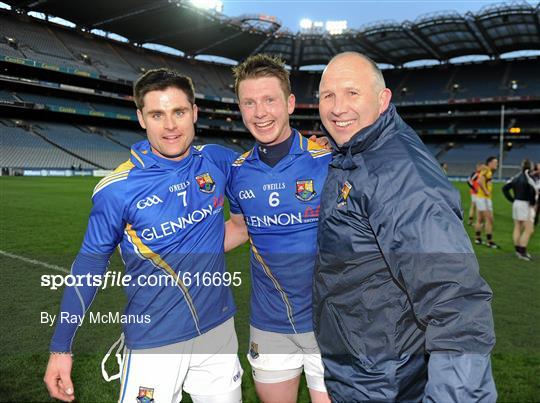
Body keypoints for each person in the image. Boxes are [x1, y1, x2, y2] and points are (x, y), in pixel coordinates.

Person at [44, 69, 242, 403]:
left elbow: (265, 182)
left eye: (179, 112)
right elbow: (90, 264)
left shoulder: (218, 160)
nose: (170, 126)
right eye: (157, 114)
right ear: (141, 118)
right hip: (155, 342)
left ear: (194, 113)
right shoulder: (117, 189)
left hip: (219, 332)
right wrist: (61, 347)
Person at [313, 52, 497, 402]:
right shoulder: (357, 152)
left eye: (352, 93)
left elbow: (456, 303)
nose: (338, 108)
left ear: (383, 100)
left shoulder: (400, 175)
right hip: (364, 368)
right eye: (328, 95)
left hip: (384, 382)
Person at [224, 54, 331, 403]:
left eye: (269, 100)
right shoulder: (238, 173)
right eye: (249, 103)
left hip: (331, 323)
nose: (260, 112)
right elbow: (239, 229)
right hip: (270, 325)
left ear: (290, 103)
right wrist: (162, 245)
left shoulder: (327, 162)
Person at [502, 159, 537, 261]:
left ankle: (518, 251)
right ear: (530, 167)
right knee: (529, 229)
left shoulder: (516, 177)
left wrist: (512, 199)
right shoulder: (528, 177)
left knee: (517, 227)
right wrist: (532, 203)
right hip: (525, 204)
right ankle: (522, 252)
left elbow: (505, 188)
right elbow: (532, 191)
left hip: (517, 203)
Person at [474, 156, 500, 248]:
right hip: (484, 198)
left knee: (480, 219)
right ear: (489, 163)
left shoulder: (487, 170)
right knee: (489, 220)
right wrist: (486, 191)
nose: (496, 164)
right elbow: (480, 181)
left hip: (480, 198)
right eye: (495, 162)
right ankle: (490, 241)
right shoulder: (487, 170)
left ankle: (478, 238)